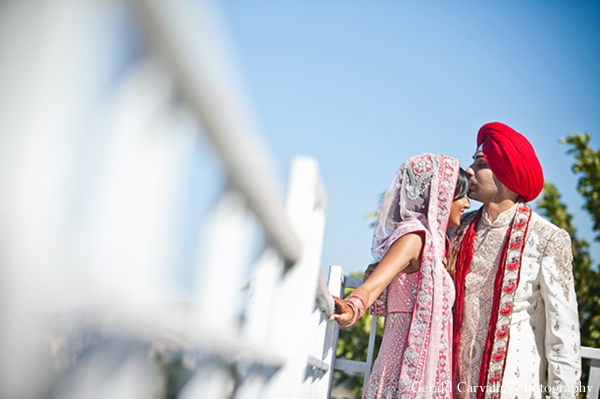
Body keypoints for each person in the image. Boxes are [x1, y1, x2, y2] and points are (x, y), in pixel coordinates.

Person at [449, 122, 581, 399]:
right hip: (451, 386)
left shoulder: (546, 239)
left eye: (481, 162)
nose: (469, 170)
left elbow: (563, 337)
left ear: (506, 171)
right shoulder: (457, 230)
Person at [330, 153, 471, 399]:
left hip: (427, 368)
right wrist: (352, 308)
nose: (467, 204)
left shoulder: (436, 246)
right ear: (439, 198)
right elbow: (374, 286)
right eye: (461, 197)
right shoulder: (414, 238)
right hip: (404, 366)